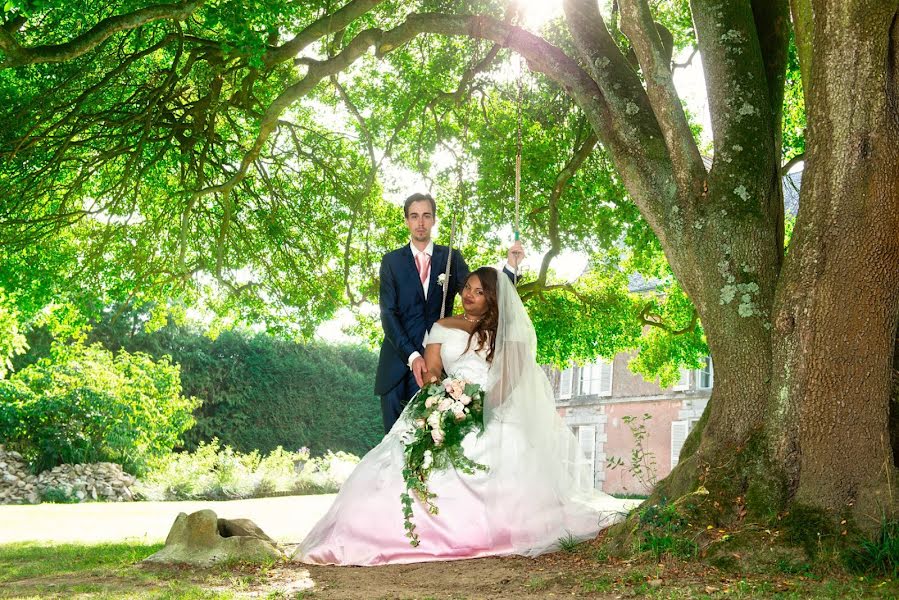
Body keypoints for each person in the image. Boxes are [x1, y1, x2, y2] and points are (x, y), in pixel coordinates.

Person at [296, 267, 636, 566]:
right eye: (466, 289)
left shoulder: (507, 333)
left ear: (492, 297)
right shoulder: (441, 326)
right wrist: (442, 396)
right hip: (443, 401)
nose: (468, 296)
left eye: (478, 291)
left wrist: (479, 410)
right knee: (397, 459)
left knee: (502, 452)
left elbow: (509, 381)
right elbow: (432, 373)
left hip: (493, 407)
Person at [374, 192, 524, 433]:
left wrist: (510, 268)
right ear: (406, 221)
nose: (420, 222)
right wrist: (413, 356)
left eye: (426, 216)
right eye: (414, 216)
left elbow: (481, 292)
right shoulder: (391, 261)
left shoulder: (450, 258)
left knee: (428, 438)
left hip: (435, 365)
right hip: (396, 363)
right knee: (392, 442)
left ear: (434, 220)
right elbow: (388, 314)